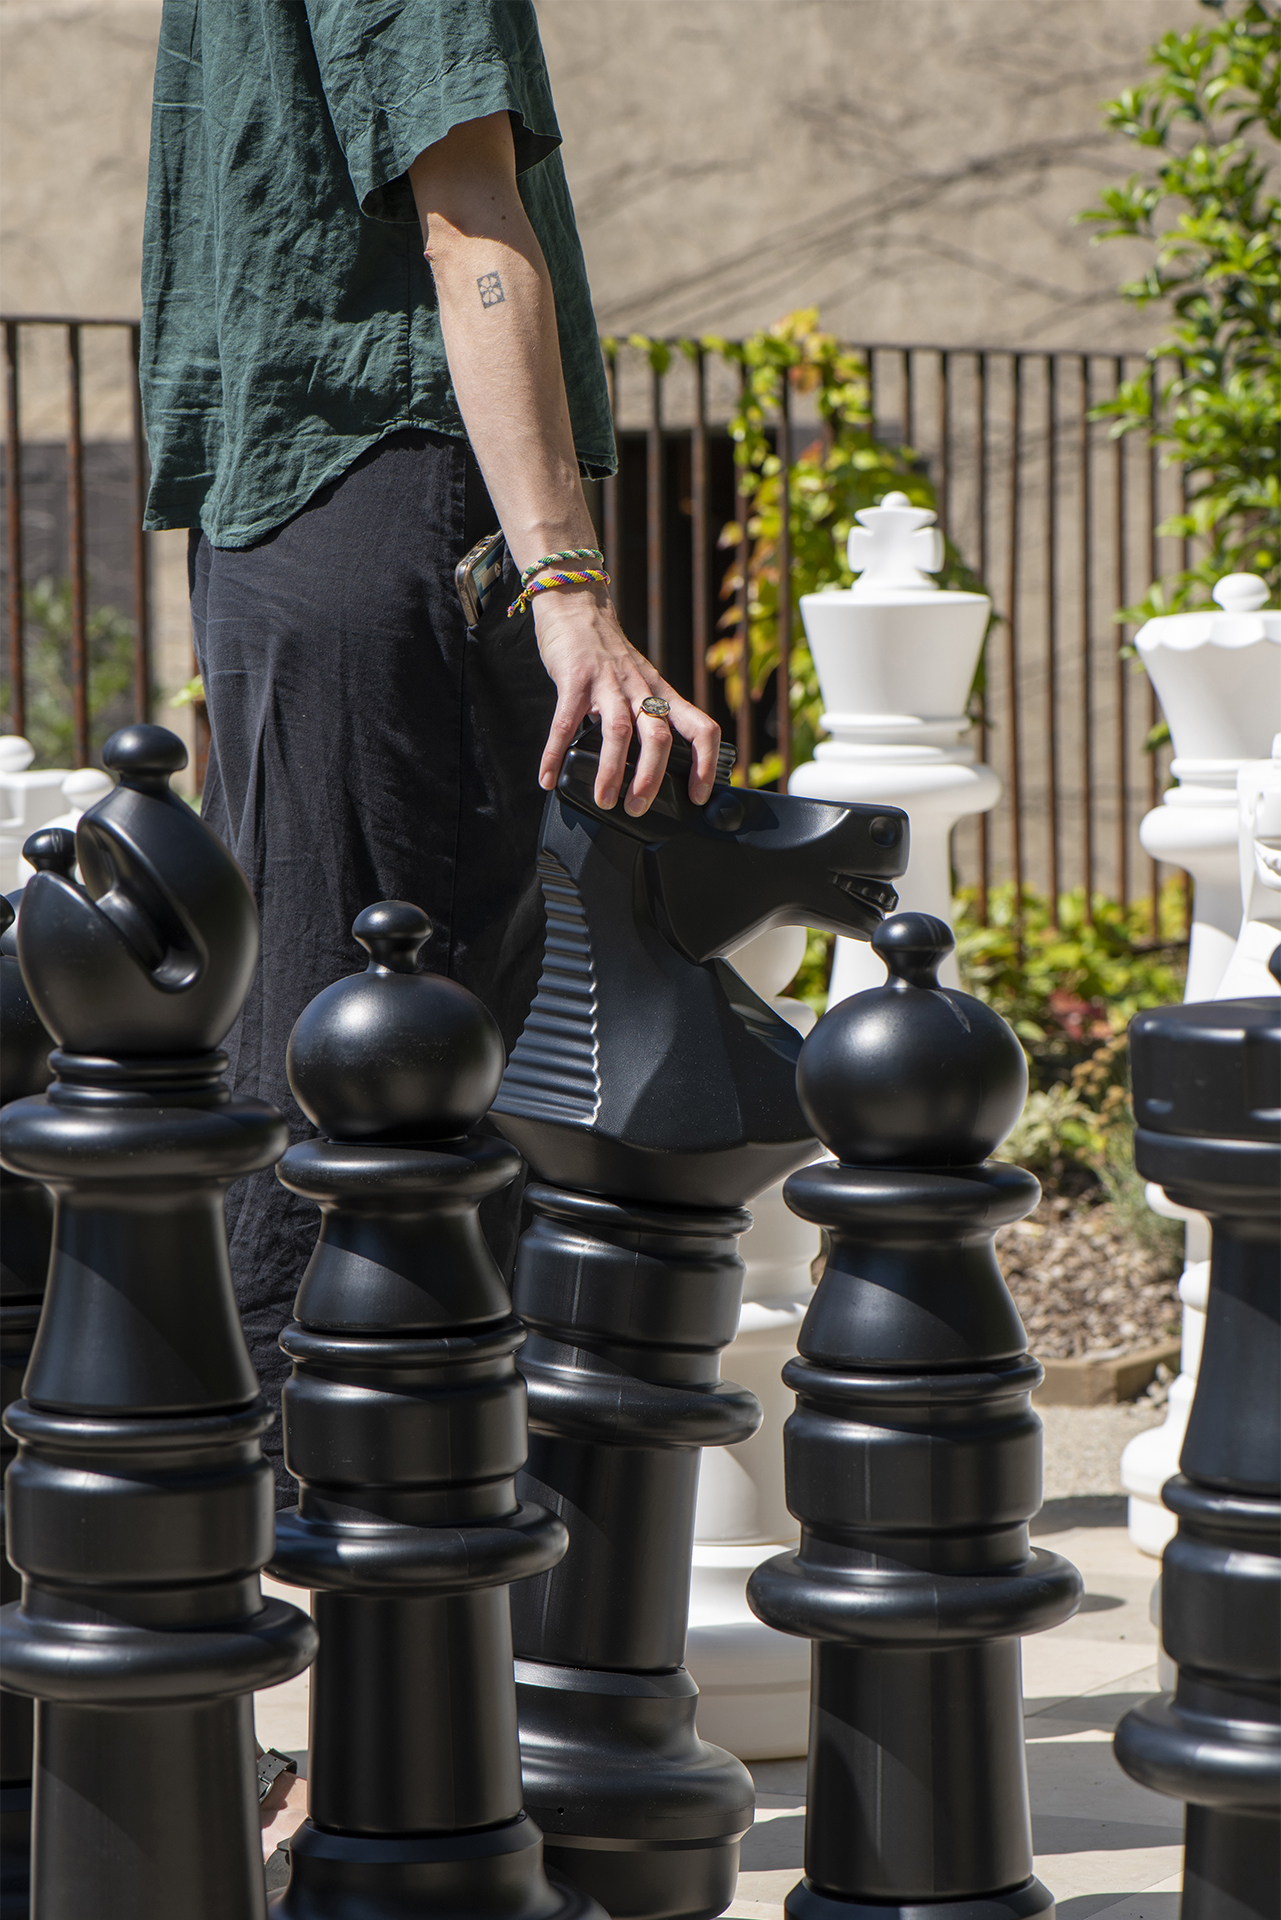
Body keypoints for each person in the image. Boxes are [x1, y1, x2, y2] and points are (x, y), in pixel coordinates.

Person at [140, 0, 721, 1524]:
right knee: (388, 1103)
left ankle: (318, 1683)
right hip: (391, 494)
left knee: (322, 1066)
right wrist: (568, 587)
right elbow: (469, 220)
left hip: (292, 521)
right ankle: (363, 1712)